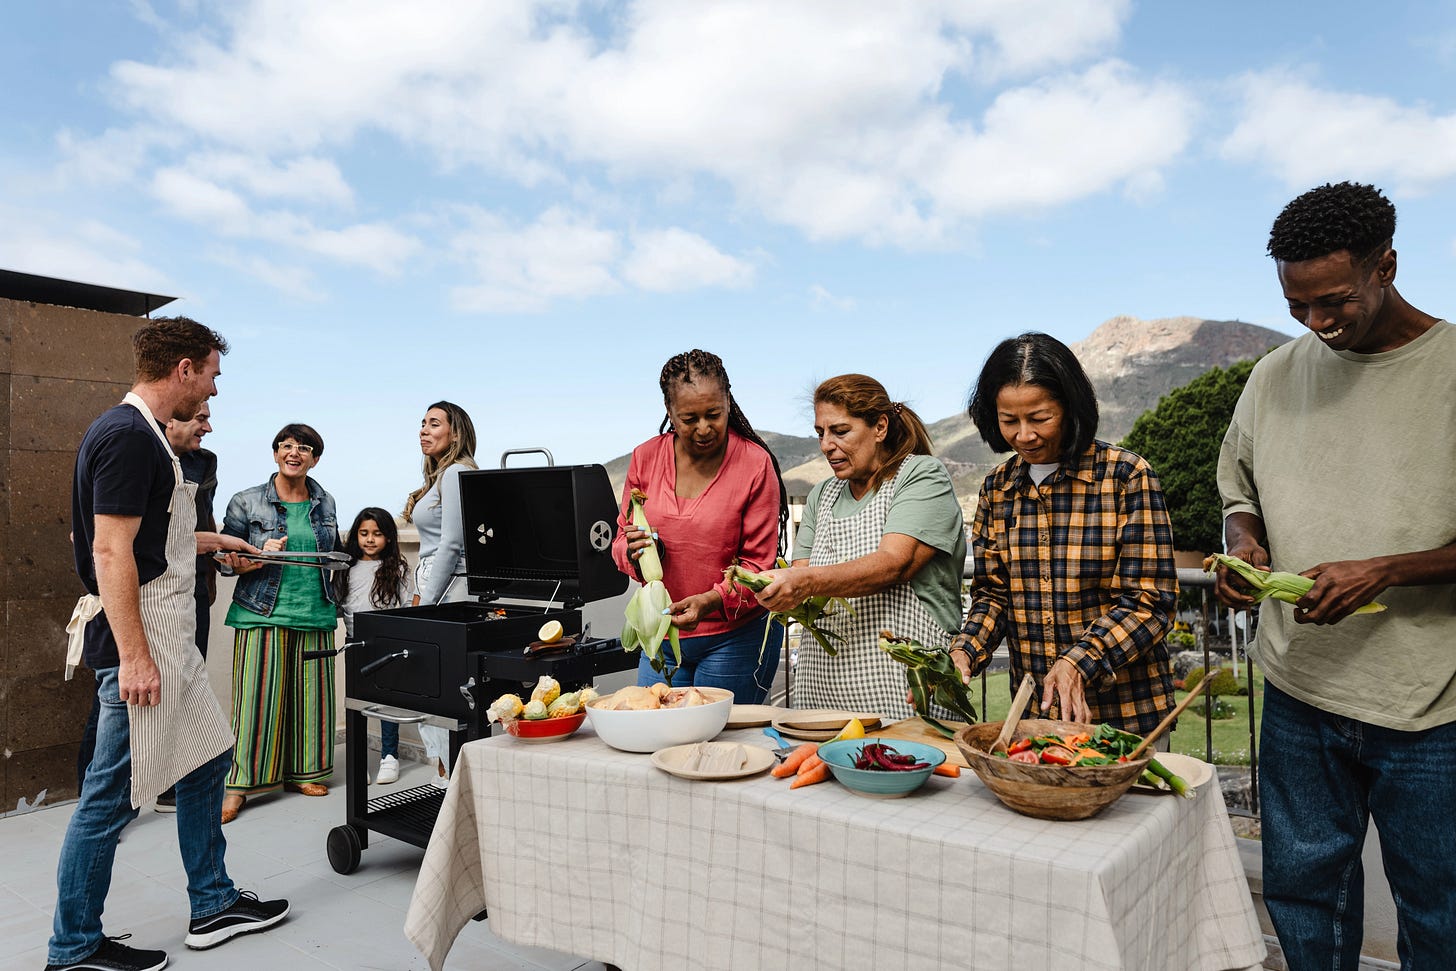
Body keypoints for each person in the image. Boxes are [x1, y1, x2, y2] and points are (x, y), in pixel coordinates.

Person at [1212, 181, 1456, 968]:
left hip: (1429, 705)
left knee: (1441, 913)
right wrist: (1244, 545)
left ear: (1387, 266)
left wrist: (1385, 571)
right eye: (1298, 305)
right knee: (1305, 901)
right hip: (1298, 691)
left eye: (1335, 301)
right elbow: (1239, 493)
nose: (1317, 323)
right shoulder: (1274, 376)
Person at [52, 316, 288, 971]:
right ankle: (72, 948)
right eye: (211, 374)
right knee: (109, 798)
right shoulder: (129, 436)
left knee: (208, 756)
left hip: (170, 641)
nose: (213, 390)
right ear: (184, 368)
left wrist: (220, 542)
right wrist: (133, 658)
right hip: (143, 645)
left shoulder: (146, 436)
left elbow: (154, 540)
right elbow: (108, 551)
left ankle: (212, 904)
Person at [950, 332, 1178, 734]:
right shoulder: (996, 489)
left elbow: (1150, 601)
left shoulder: (1126, 477)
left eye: (1040, 418)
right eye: (1009, 421)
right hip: (1037, 718)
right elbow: (993, 595)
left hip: (1125, 716)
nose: (1024, 435)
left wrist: (1080, 660)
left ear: (1070, 407)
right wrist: (964, 652)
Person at [754, 374, 966, 721]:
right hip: (822, 690)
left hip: (904, 689)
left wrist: (803, 582)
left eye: (840, 431)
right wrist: (774, 588)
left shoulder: (921, 476)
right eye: (820, 433)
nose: (826, 445)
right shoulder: (822, 495)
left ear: (880, 427)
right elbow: (801, 577)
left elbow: (895, 563)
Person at [611, 349, 789, 702]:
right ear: (669, 411)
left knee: (722, 736)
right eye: (690, 418)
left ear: (728, 403)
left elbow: (758, 566)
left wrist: (711, 601)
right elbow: (620, 539)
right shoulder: (645, 457)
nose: (704, 428)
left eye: (714, 414)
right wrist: (633, 553)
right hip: (661, 633)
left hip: (736, 638)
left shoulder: (755, 464)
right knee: (653, 729)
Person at [218, 423, 341, 823]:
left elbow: (332, 558)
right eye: (286, 446)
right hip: (261, 612)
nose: (294, 453)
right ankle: (239, 785)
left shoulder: (326, 502)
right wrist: (257, 554)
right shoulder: (246, 501)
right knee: (255, 703)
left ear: (314, 460)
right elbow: (225, 563)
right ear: (275, 454)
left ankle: (305, 773)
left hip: (315, 612)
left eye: (304, 448)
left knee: (312, 702)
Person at [404, 400, 478, 785]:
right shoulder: (440, 476)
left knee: (442, 688)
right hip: (436, 586)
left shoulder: (455, 473)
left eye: (434, 423)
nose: (424, 430)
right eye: (423, 423)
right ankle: (447, 776)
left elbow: (451, 545)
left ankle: (453, 779)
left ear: (455, 432)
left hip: (449, 590)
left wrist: (425, 606)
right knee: (436, 686)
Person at [151, 399, 219, 813]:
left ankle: (171, 786)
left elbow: (201, 521)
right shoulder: (140, 452)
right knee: (117, 704)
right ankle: (105, 804)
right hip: (150, 593)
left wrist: (217, 561)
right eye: (201, 417)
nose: (208, 427)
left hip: (194, 587)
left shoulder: (203, 463)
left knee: (188, 689)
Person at [336, 507, 414, 785]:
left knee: (386, 702)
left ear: (389, 537)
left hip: (387, 645)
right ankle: (358, 760)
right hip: (355, 643)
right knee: (356, 701)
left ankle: (389, 756)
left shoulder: (398, 569)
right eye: (364, 533)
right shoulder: (345, 569)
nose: (370, 539)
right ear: (355, 536)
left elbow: (407, 606)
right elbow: (339, 604)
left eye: (377, 534)